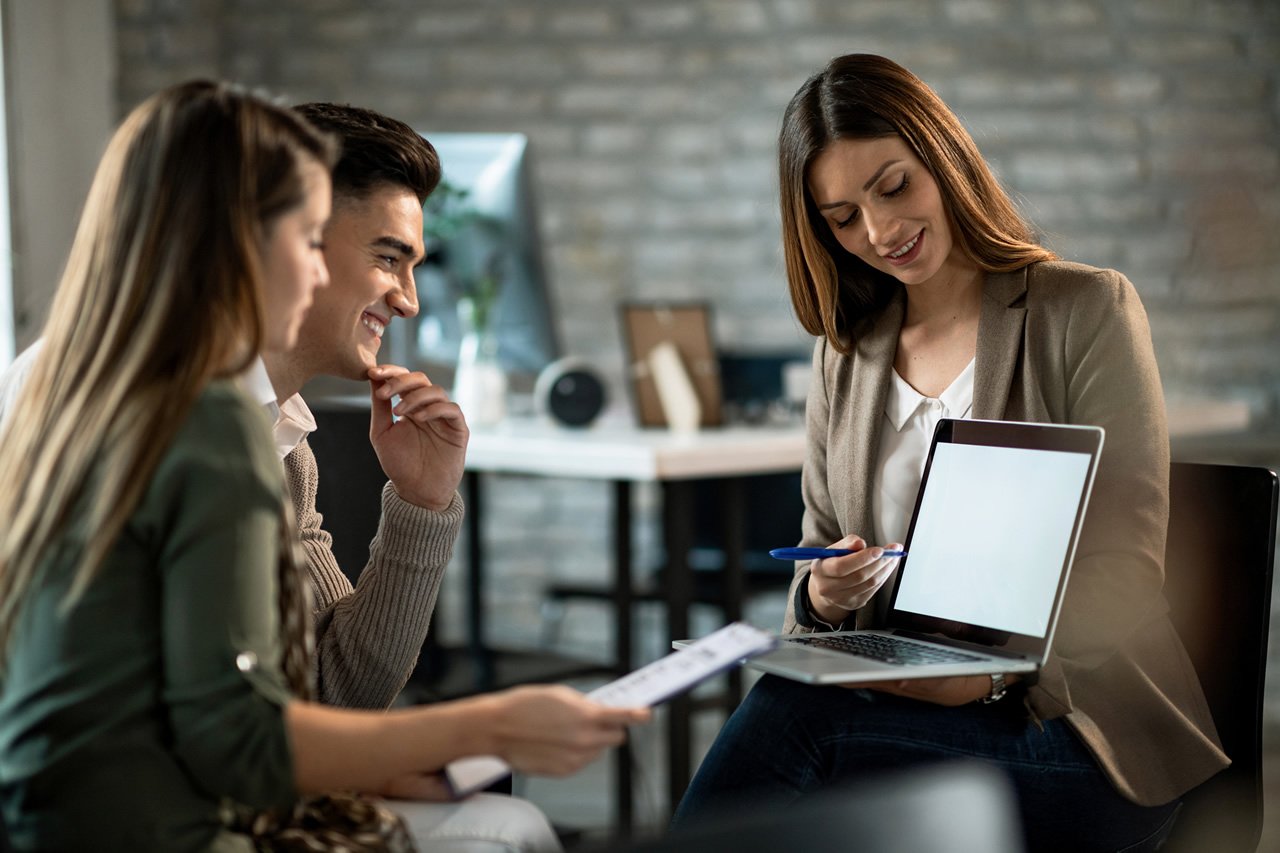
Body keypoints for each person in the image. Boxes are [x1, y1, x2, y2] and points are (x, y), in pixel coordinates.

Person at [0, 80, 647, 853]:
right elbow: (241, 738)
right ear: (237, 236)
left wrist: (421, 503)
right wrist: (490, 723)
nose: (407, 301)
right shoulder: (200, 421)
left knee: (504, 822)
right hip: (166, 825)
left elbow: (323, 692)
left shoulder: (252, 421)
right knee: (506, 828)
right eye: (309, 238)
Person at [671, 54, 1227, 853]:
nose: (880, 231)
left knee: (796, 726)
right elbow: (814, 554)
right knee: (796, 716)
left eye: (893, 187)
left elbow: (1127, 570)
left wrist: (994, 674)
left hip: (1079, 729)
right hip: (912, 706)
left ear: (942, 156)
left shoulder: (1084, 309)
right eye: (842, 217)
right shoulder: (847, 353)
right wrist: (825, 597)